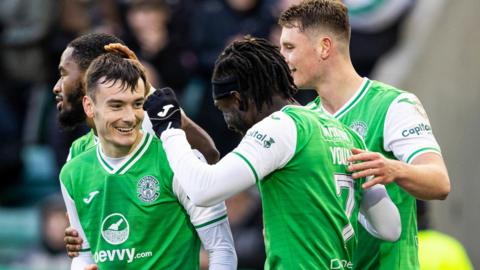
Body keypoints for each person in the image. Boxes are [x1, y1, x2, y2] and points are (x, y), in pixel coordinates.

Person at [144, 36, 400, 269]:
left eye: (225, 109)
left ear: (239, 99)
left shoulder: (280, 128)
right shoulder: (346, 134)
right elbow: (390, 227)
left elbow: (203, 190)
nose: (228, 122)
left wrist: (168, 129)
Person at [277, 1, 451, 269]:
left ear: (324, 47)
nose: (283, 58)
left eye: (290, 47)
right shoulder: (303, 122)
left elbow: (439, 183)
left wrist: (394, 169)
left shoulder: (393, 106)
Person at [59, 52, 237, 269]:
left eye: (137, 104)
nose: (129, 116)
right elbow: (83, 255)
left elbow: (222, 251)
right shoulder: (72, 171)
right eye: (116, 105)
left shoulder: (178, 161)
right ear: (89, 106)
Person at [53, 32, 219, 163]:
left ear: (92, 71)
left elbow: (209, 157)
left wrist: (148, 90)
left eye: (64, 74)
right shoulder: (77, 152)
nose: (56, 87)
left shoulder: (150, 125)